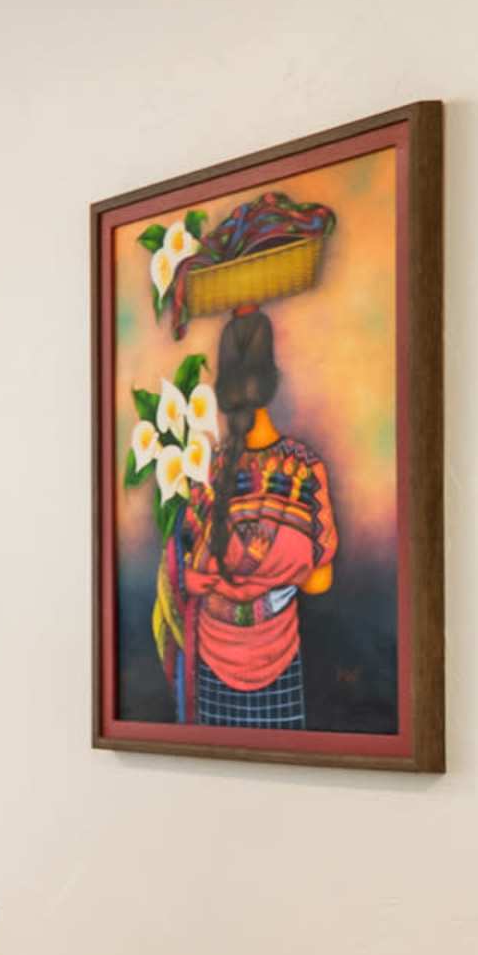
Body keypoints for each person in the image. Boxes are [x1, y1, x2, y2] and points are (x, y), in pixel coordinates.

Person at [174, 300, 337, 728]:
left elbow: (184, 572)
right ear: (273, 380)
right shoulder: (304, 467)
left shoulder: (204, 471)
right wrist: (273, 577)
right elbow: (320, 580)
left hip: (212, 660)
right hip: (279, 658)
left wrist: (228, 582)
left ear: (222, 387)